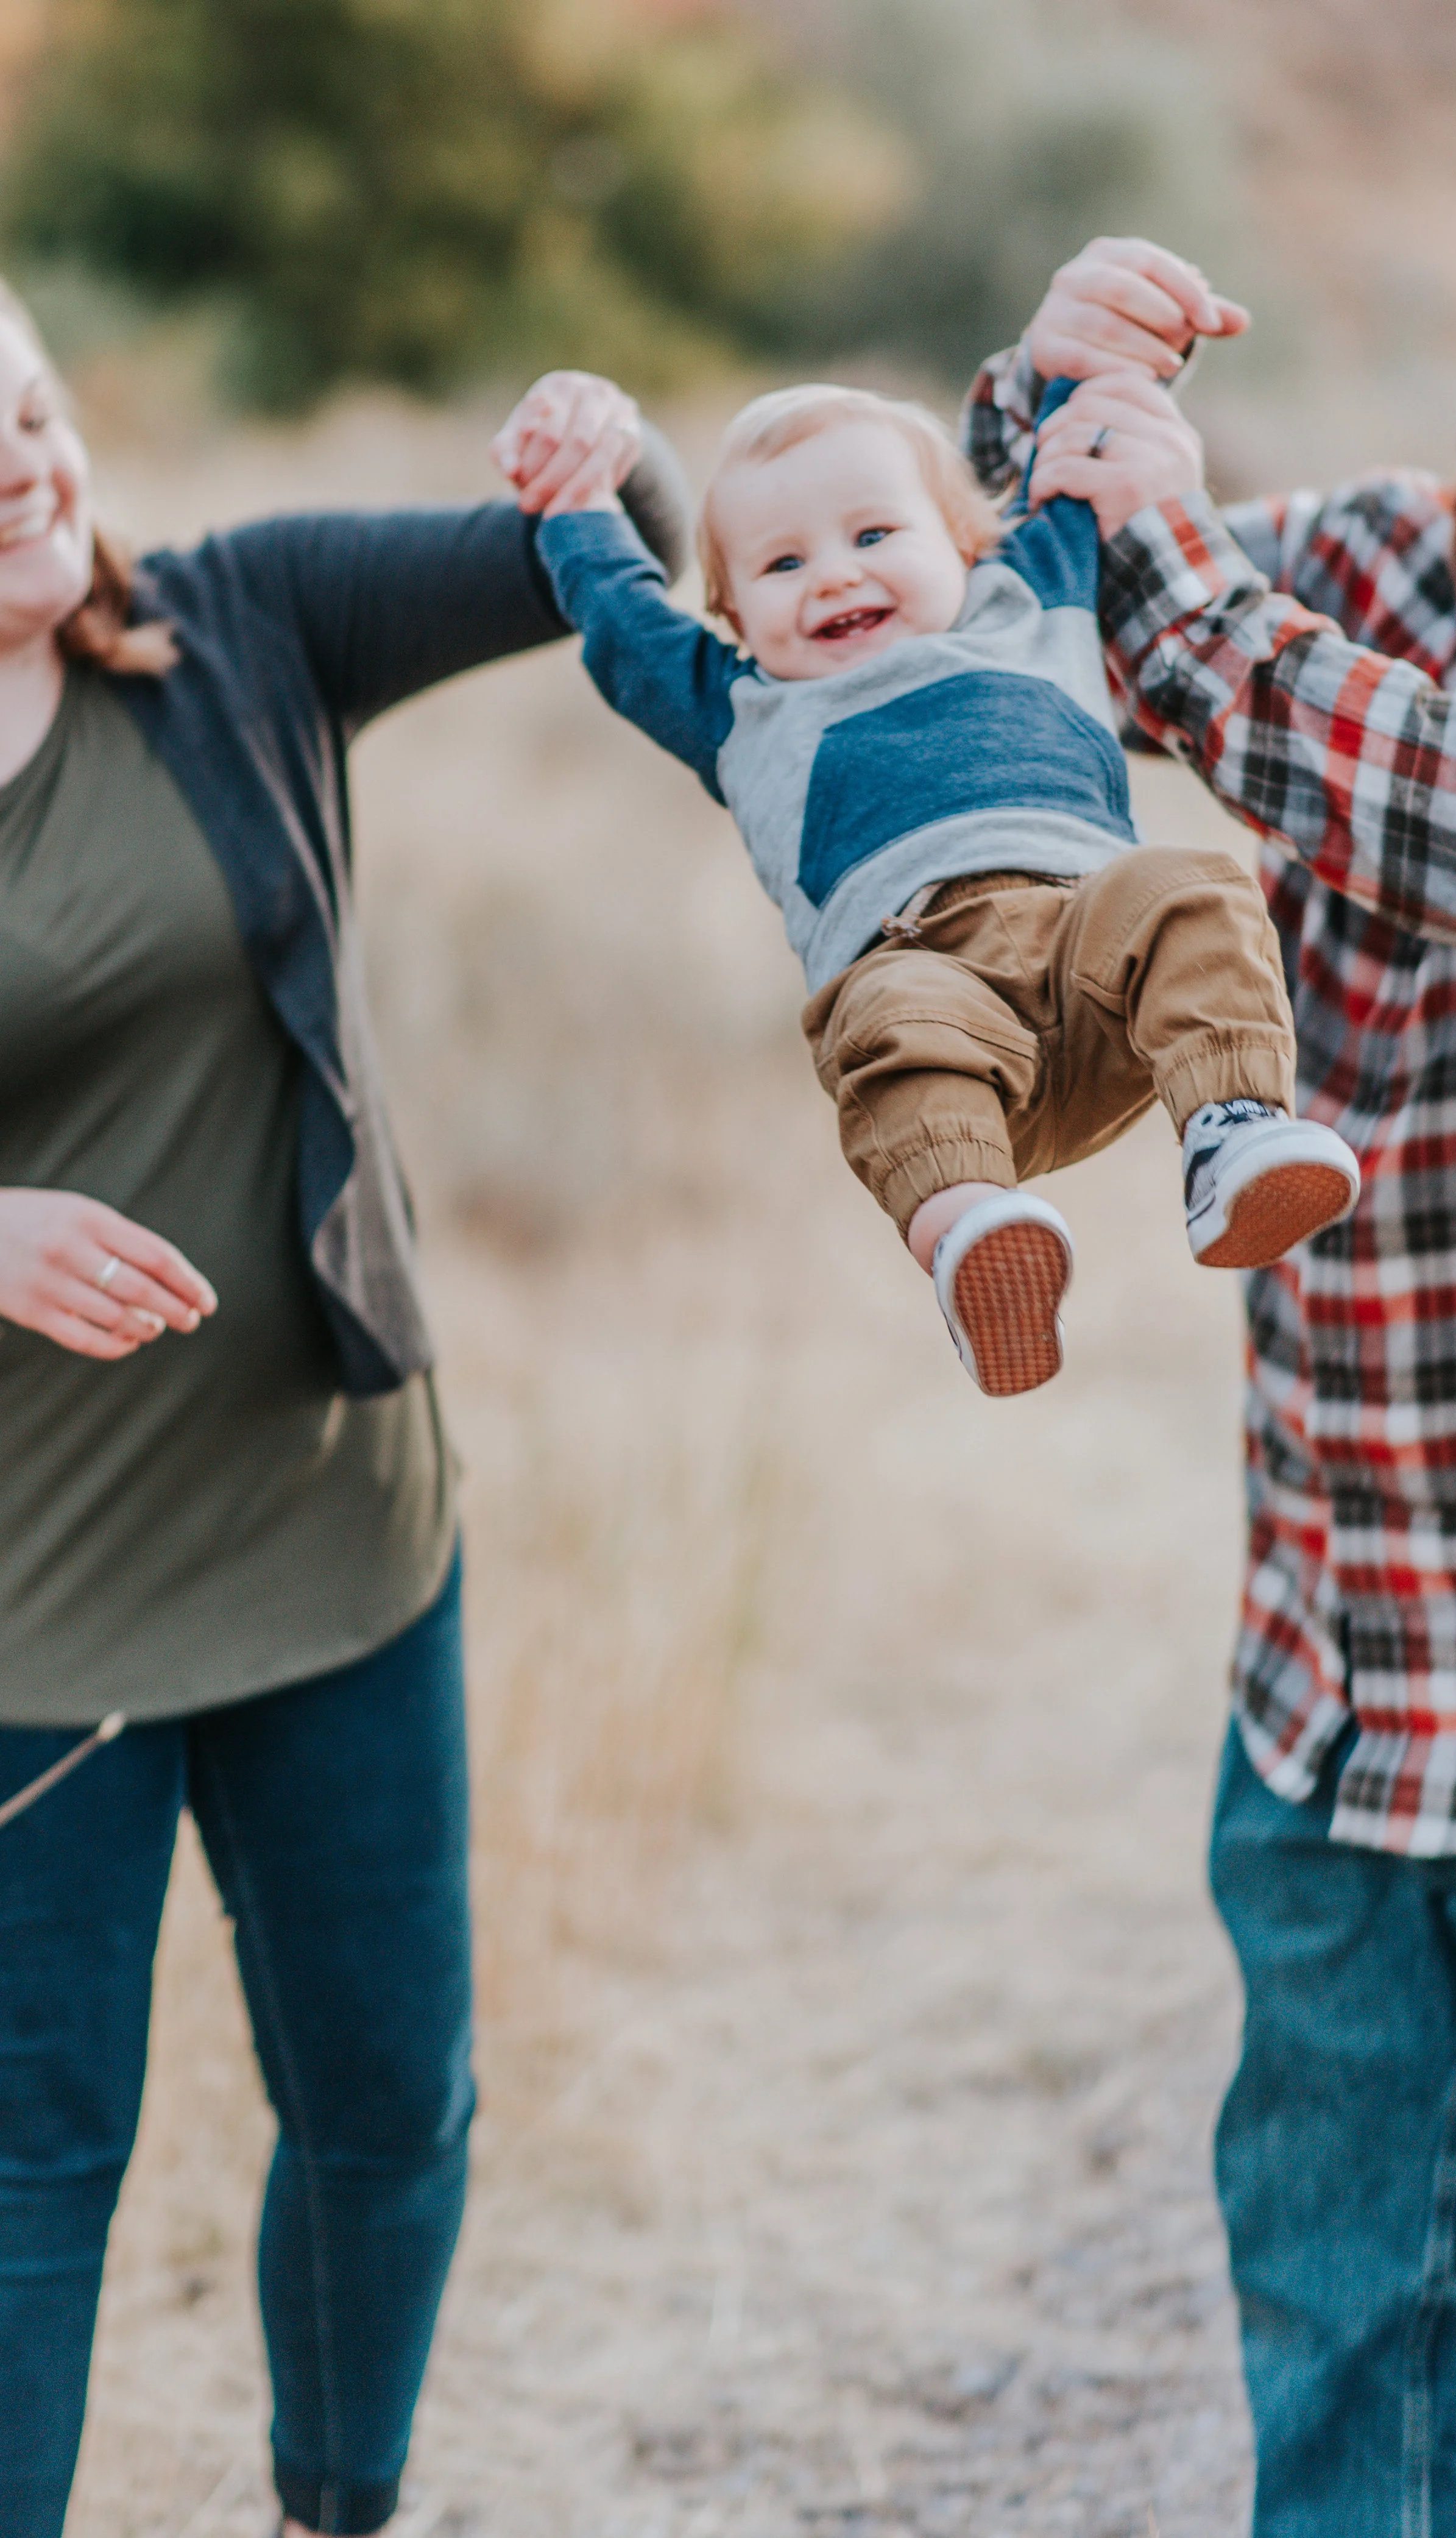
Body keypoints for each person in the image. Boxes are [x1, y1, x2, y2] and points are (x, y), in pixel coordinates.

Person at [0, 302, 687, 2538]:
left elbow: (616, 541)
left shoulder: (244, 626)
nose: (21, 460)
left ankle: (334, 2508)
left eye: (32, 405)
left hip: (334, 1536)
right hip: (30, 1625)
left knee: (394, 2104)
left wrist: (609, 446)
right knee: (30, 2177)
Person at [963, 207, 1456, 2531]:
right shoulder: (1415, 559)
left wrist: (1179, 582)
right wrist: (1056, 418)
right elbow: (1038, 640)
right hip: (1338, 1690)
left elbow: (1454, 808)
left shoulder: (1340, 648)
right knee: (1339, 2312)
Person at [492, 375, 1359, 1397]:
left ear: (964, 541)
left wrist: (1091, 369)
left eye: (872, 535)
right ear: (732, 614)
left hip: (1100, 977)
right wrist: (575, 503)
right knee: (887, 1008)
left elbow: (1067, 432)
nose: (832, 576)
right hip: (941, 1010)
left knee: (1189, 882)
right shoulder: (740, 709)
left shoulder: (1033, 602)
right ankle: (975, 1240)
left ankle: (1231, 1130)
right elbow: (621, 622)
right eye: (781, 563)